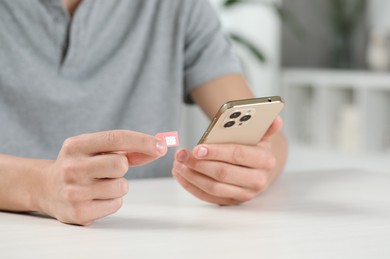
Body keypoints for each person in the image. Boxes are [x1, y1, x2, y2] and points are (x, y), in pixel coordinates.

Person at [0, 0, 288, 225]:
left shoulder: (177, 6)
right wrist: (41, 185)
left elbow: (267, 134)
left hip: (151, 233)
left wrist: (249, 169)